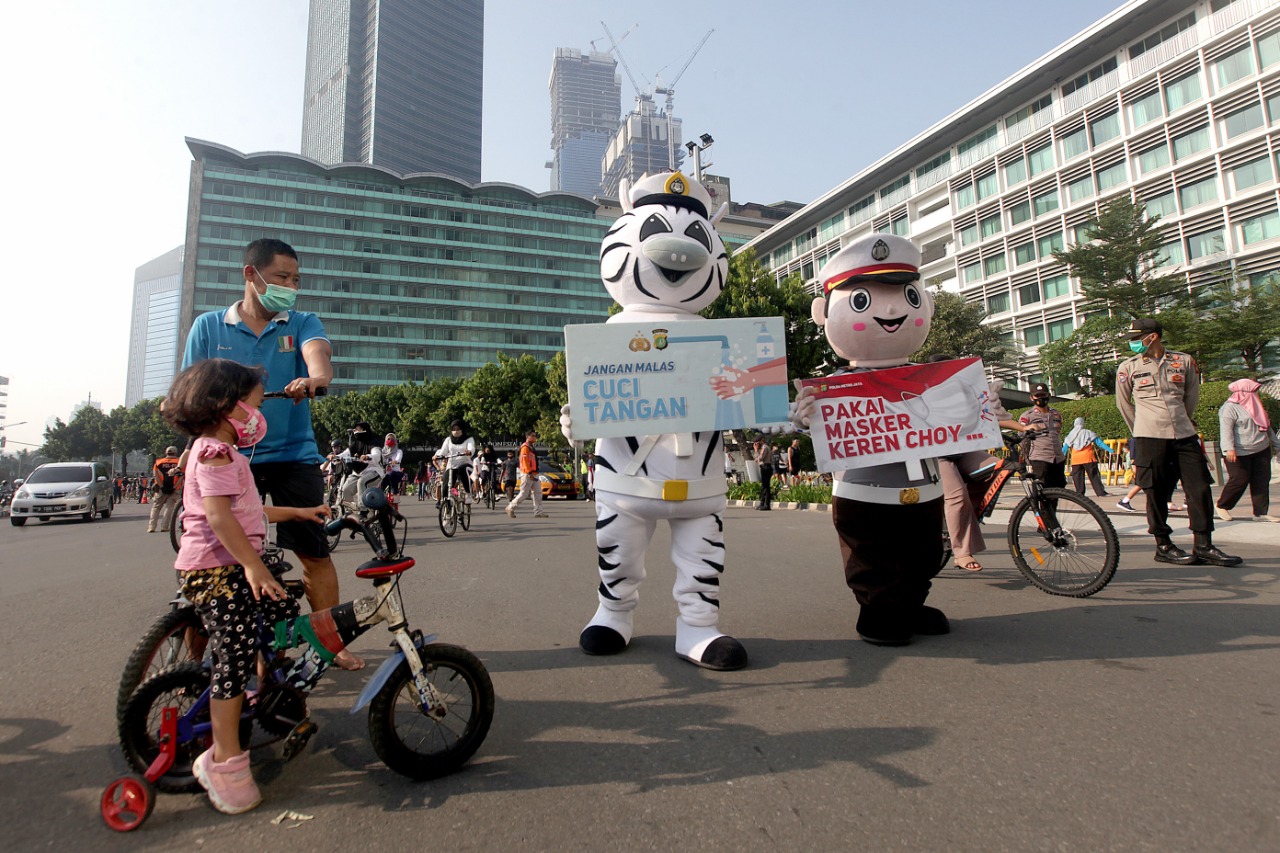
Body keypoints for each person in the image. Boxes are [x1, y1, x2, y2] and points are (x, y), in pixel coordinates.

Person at [181, 238, 362, 670]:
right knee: (213, 561)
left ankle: (329, 645)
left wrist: (314, 379)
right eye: (281, 277)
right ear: (251, 274)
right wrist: (193, 451)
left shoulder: (300, 321)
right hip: (227, 456)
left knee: (314, 553)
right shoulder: (209, 327)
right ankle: (191, 660)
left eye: (295, 279)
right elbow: (190, 392)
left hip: (293, 455)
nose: (290, 286)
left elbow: (318, 358)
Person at [162, 358, 331, 814]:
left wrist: (298, 512)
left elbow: (248, 512)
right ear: (224, 407)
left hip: (232, 562)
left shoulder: (226, 452)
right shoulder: (214, 452)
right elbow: (218, 517)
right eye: (254, 405)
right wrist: (253, 566)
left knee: (279, 610)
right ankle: (224, 760)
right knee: (233, 655)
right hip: (215, 569)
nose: (259, 416)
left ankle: (267, 690)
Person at [792, 233, 951, 646]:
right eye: (861, 301)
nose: (893, 310)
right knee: (870, 551)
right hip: (864, 490)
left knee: (924, 551)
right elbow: (814, 426)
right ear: (823, 314)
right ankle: (877, 610)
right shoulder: (835, 386)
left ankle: (910, 603)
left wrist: (978, 407)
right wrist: (805, 416)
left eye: (909, 297)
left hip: (926, 486)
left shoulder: (933, 380)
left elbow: (954, 422)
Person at [1116, 318, 1240, 566]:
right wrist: (1141, 428)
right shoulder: (1127, 367)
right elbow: (1124, 404)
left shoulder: (1183, 361)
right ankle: (1163, 544)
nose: (1133, 343)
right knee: (1156, 492)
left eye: (1136, 338)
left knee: (1200, 488)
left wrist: (1184, 419)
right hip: (1149, 436)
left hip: (1184, 435)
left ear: (1153, 337)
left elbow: (1191, 395)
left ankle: (1203, 544)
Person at [1216, 378, 1280, 523]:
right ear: (1243, 392)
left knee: (1261, 481)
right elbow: (1226, 430)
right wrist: (1229, 449)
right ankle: (1222, 505)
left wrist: (1278, 446)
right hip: (1239, 452)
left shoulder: (1257, 406)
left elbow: (1267, 428)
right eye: (1253, 391)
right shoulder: (1229, 408)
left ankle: (1260, 513)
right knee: (1239, 479)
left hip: (1261, 449)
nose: (1255, 394)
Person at [1019, 383, 1066, 488]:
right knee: (1043, 490)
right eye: (1037, 395)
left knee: (1059, 489)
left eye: (1043, 395)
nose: (1041, 398)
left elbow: (1057, 433)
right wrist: (1028, 459)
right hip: (1040, 458)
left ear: (1049, 395)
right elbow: (1023, 439)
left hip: (1058, 457)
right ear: (1032, 398)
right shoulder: (1027, 416)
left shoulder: (1056, 414)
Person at [1062, 417, 1112, 497]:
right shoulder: (1088, 433)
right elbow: (1099, 443)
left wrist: (1060, 456)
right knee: (1094, 476)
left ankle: (1080, 494)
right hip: (1088, 458)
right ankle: (1100, 492)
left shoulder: (1071, 435)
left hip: (1076, 460)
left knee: (1078, 477)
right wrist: (1110, 450)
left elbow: (1065, 448)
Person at [505, 431, 547, 518]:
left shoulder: (531, 447)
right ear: (527, 437)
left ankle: (538, 512)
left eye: (535, 436)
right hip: (528, 474)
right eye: (533, 436)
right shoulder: (525, 447)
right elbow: (524, 462)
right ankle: (510, 507)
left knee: (538, 493)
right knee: (524, 493)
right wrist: (529, 472)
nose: (535, 437)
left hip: (534, 473)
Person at [434, 420, 477, 505]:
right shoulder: (448, 440)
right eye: (453, 429)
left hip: (466, 464)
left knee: (462, 469)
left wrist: (469, 451)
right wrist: (437, 456)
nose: (456, 431)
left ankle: (468, 494)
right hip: (452, 466)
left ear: (462, 429)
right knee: (446, 486)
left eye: (458, 429)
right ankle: (447, 506)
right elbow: (443, 451)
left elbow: (471, 447)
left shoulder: (469, 439)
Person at [148, 446, 184, 533]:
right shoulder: (179, 463)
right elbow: (181, 476)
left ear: (166, 453)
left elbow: (156, 476)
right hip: (175, 489)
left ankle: (151, 527)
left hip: (161, 489)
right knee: (169, 508)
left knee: (156, 507)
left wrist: (162, 486)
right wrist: (174, 487)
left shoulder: (158, 462)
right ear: (176, 453)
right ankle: (165, 526)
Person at [755, 438, 776, 510]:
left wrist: (755, 450)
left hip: (766, 467)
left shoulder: (765, 447)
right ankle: (762, 503)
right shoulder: (763, 448)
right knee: (764, 486)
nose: (756, 444)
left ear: (762, 440)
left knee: (766, 486)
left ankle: (766, 505)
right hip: (764, 467)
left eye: (757, 442)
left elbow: (760, 458)